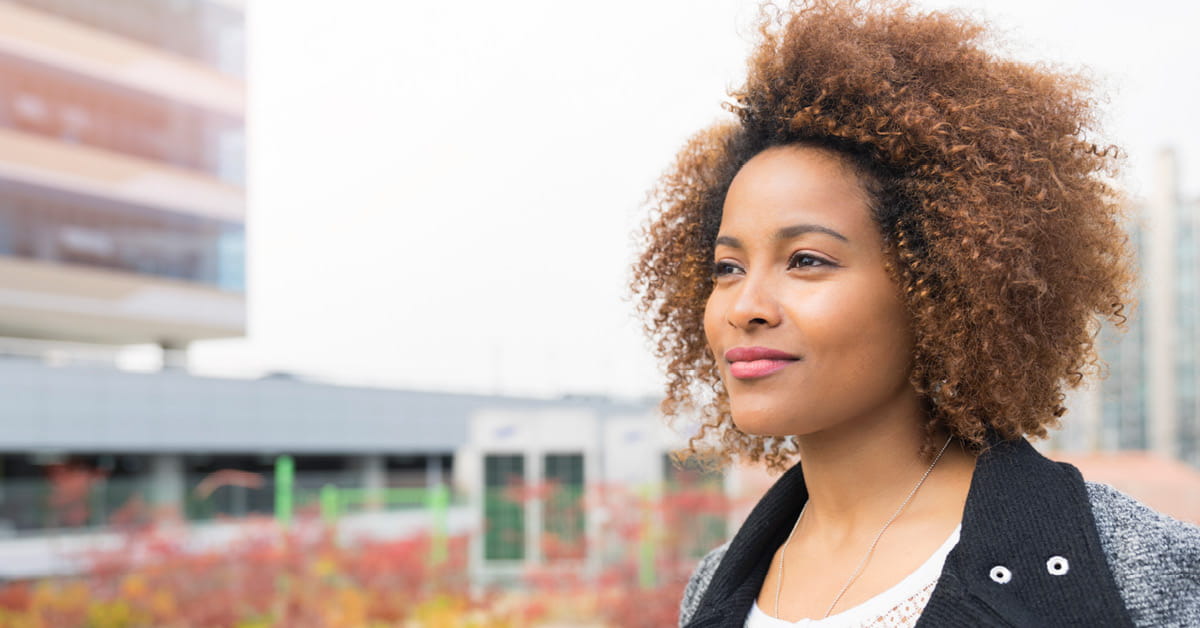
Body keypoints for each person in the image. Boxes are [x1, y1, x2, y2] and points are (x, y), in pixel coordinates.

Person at [628, 1, 1200, 626]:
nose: (746, 307)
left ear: (940, 281)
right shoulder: (713, 587)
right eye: (727, 268)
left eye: (807, 260)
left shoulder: (1135, 571)